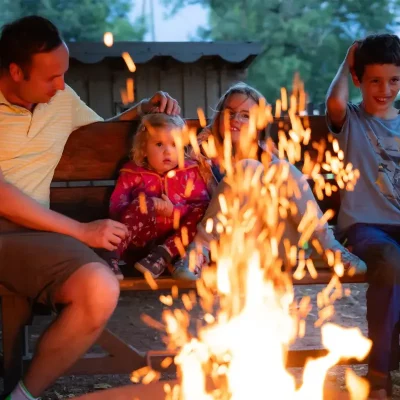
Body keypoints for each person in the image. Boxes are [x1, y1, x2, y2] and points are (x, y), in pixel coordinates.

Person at [0, 15, 180, 400]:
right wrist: (82, 230)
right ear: (15, 71)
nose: (62, 85)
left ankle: (23, 396)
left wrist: (144, 110)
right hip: (16, 232)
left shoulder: (60, 100)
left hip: (36, 240)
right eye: (51, 77)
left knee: (99, 287)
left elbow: (104, 130)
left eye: (63, 74)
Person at [173, 82, 366, 279]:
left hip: (276, 247)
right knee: (247, 168)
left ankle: (330, 248)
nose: (235, 120)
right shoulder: (199, 159)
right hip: (226, 248)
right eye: (230, 113)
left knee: (280, 168)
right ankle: (197, 253)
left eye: (245, 116)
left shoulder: (271, 163)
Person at [326, 33, 400, 399]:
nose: (384, 89)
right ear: (359, 79)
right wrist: (349, 56)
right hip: (365, 227)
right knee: (390, 261)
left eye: (394, 80)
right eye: (374, 80)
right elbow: (334, 101)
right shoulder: (352, 119)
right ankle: (380, 374)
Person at [109, 113, 213, 280]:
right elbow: (116, 207)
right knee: (143, 203)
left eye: (174, 145)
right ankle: (111, 256)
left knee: (205, 210)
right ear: (143, 149)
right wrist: (146, 207)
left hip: (174, 246)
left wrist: (174, 212)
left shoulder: (189, 173)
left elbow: (200, 205)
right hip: (139, 243)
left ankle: (162, 256)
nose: (168, 151)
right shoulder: (132, 173)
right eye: (159, 144)